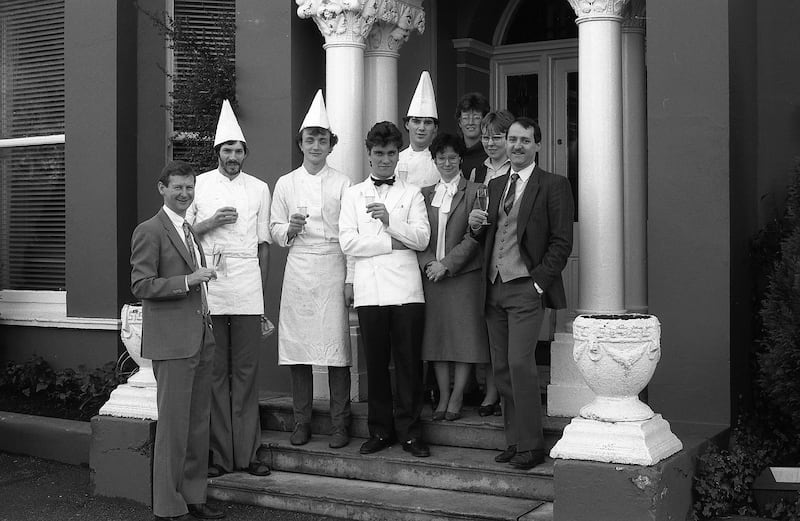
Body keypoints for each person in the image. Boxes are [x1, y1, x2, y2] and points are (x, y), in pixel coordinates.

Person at [468, 117, 574, 470]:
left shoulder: (553, 185)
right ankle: (514, 440)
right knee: (501, 369)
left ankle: (532, 445)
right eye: (512, 140)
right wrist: (476, 226)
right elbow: (488, 235)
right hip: (493, 288)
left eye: (524, 141)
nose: (516, 146)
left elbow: (561, 242)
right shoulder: (495, 184)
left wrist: (538, 283)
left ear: (537, 145)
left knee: (520, 364)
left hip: (526, 289)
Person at [130, 160, 225, 521]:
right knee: (173, 426)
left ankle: (194, 496)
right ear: (162, 188)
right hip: (172, 343)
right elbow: (141, 285)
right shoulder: (149, 230)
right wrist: (188, 280)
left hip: (201, 336)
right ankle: (168, 507)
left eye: (189, 187)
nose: (185, 193)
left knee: (199, 422)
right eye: (178, 187)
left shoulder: (189, 230)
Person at [186, 100, 272, 478]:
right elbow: (183, 234)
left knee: (247, 371)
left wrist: (262, 292)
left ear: (245, 154)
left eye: (238, 150)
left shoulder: (259, 188)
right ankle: (221, 456)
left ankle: (249, 453)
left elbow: (264, 243)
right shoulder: (200, 185)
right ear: (217, 152)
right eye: (227, 150)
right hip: (212, 281)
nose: (232, 156)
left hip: (248, 280)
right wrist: (210, 222)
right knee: (216, 372)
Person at [339, 121, 432, 458]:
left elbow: (422, 239)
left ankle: (409, 432)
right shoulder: (352, 194)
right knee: (376, 364)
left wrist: (391, 221)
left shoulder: (412, 194)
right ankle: (380, 430)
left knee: (408, 364)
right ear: (369, 154)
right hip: (370, 289)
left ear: (398, 155)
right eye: (378, 153)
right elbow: (347, 241)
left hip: (407, 291)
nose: (384, 160)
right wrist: (390, 244)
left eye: (391, 153)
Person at [270, 90, 353, 449]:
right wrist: (289, 229)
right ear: (301, 143)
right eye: (310, 139)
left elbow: (351, 232)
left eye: (322, 139)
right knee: (299, 348)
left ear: (331, 145)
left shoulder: (344, 182)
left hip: (334, 263)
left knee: (336, 349)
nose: (316, 145)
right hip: (300, 264)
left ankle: (339, 424)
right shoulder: (286, 183)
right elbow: (272, 229)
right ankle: (301, 421)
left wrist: (350, 277)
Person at [417, 133, 489, 422]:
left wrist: (446, 264)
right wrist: (428, 265)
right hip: (432, 276)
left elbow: (476, 236)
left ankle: (457, 396)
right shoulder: (422, 194)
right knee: (437, 339)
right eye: (441, 157)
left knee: (463, 339)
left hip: (462, 276)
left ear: (460, 159)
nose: (447, 162)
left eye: (452, 157)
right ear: (434, 160)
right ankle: (443, 396)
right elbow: (417, 235)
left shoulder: (476, 190)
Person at [396, 70, 440, 188]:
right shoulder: (396, 160)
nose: (421, 128)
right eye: (416, 121)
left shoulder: (442, 162)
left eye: (427, 123)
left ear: (435, 128)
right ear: (407, 125)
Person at [473, 110, 515, 186]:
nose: (490, 143)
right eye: (485, 138)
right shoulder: (476, 172)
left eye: (496, 138)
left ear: (509, 138)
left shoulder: (517, 169)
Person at [455, 92, 490, 181]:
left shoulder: (490, 151)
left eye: (476, 118)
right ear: (460, 122)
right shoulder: (454, 150)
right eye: (466, 118)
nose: (471, 123)